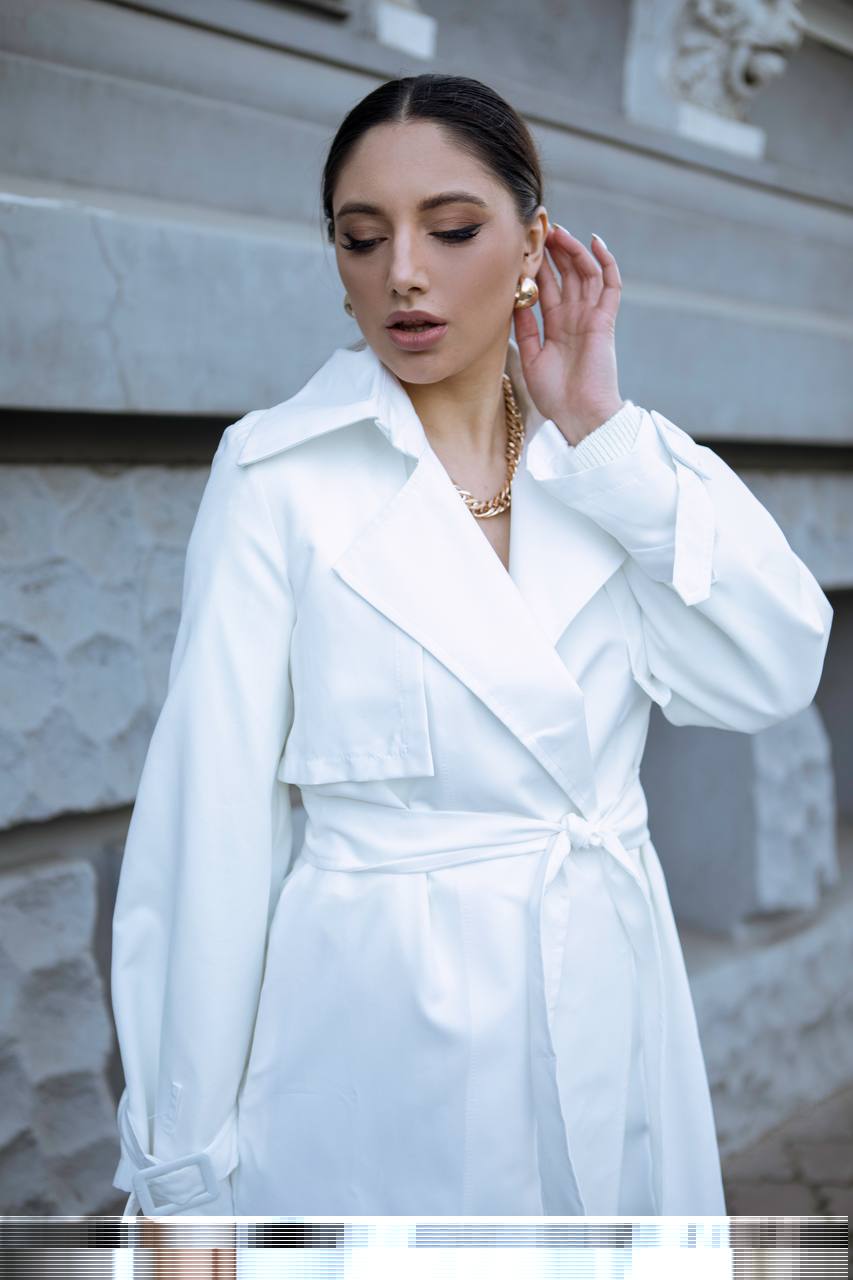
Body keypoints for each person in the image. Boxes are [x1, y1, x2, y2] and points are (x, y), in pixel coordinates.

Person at [110, 73, 833, 1219]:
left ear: (534, 243)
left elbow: (774, 661)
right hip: (381, 1046)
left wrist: (601, 428)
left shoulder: (599, 466)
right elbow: (211, 831)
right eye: (361, 237)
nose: (402, 270)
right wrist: (182, 1172)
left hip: (610, 1003)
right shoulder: (277, 478)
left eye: (451, 230)